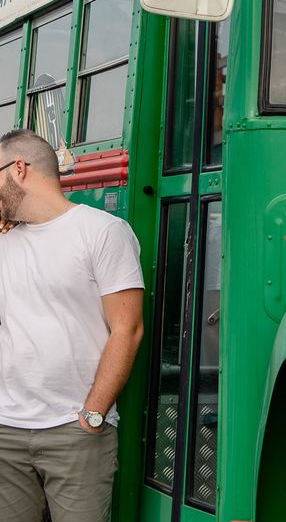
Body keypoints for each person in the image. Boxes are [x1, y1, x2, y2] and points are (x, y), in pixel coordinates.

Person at [0, 129, 145, 522]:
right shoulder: (5, 240)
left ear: (19, 169)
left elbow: (127, 329)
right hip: (6, 433)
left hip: (74, 433)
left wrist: (93, 416)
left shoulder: (103, 232)